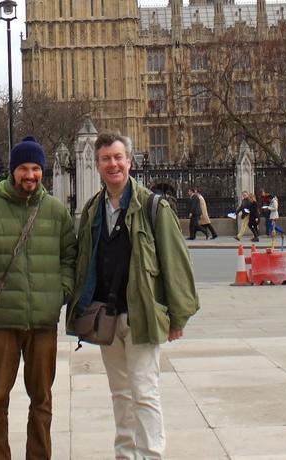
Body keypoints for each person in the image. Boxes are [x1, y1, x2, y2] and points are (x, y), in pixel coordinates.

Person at [66, 132, 199, 460]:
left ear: (130, 161)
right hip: (107, 318)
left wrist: (177, 316)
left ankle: (151, 454)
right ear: (96, 165)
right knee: (120, 394)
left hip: (141, 314)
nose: (113, 164)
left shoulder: (154, 206)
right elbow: (84, 261)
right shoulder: (93, 209)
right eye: (105, 159)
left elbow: (176, 264)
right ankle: (126, 454)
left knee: (144, 392)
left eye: (118, 157)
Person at [0, 136, 76, 460]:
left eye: (36, 168)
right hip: (1, 324)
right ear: (12, 171)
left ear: (43, 172)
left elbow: (70, 258)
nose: (30, 174)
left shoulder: (55, 211)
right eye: (23, 167)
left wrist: (60, 293)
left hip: (42, 323)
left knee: (42, 402)